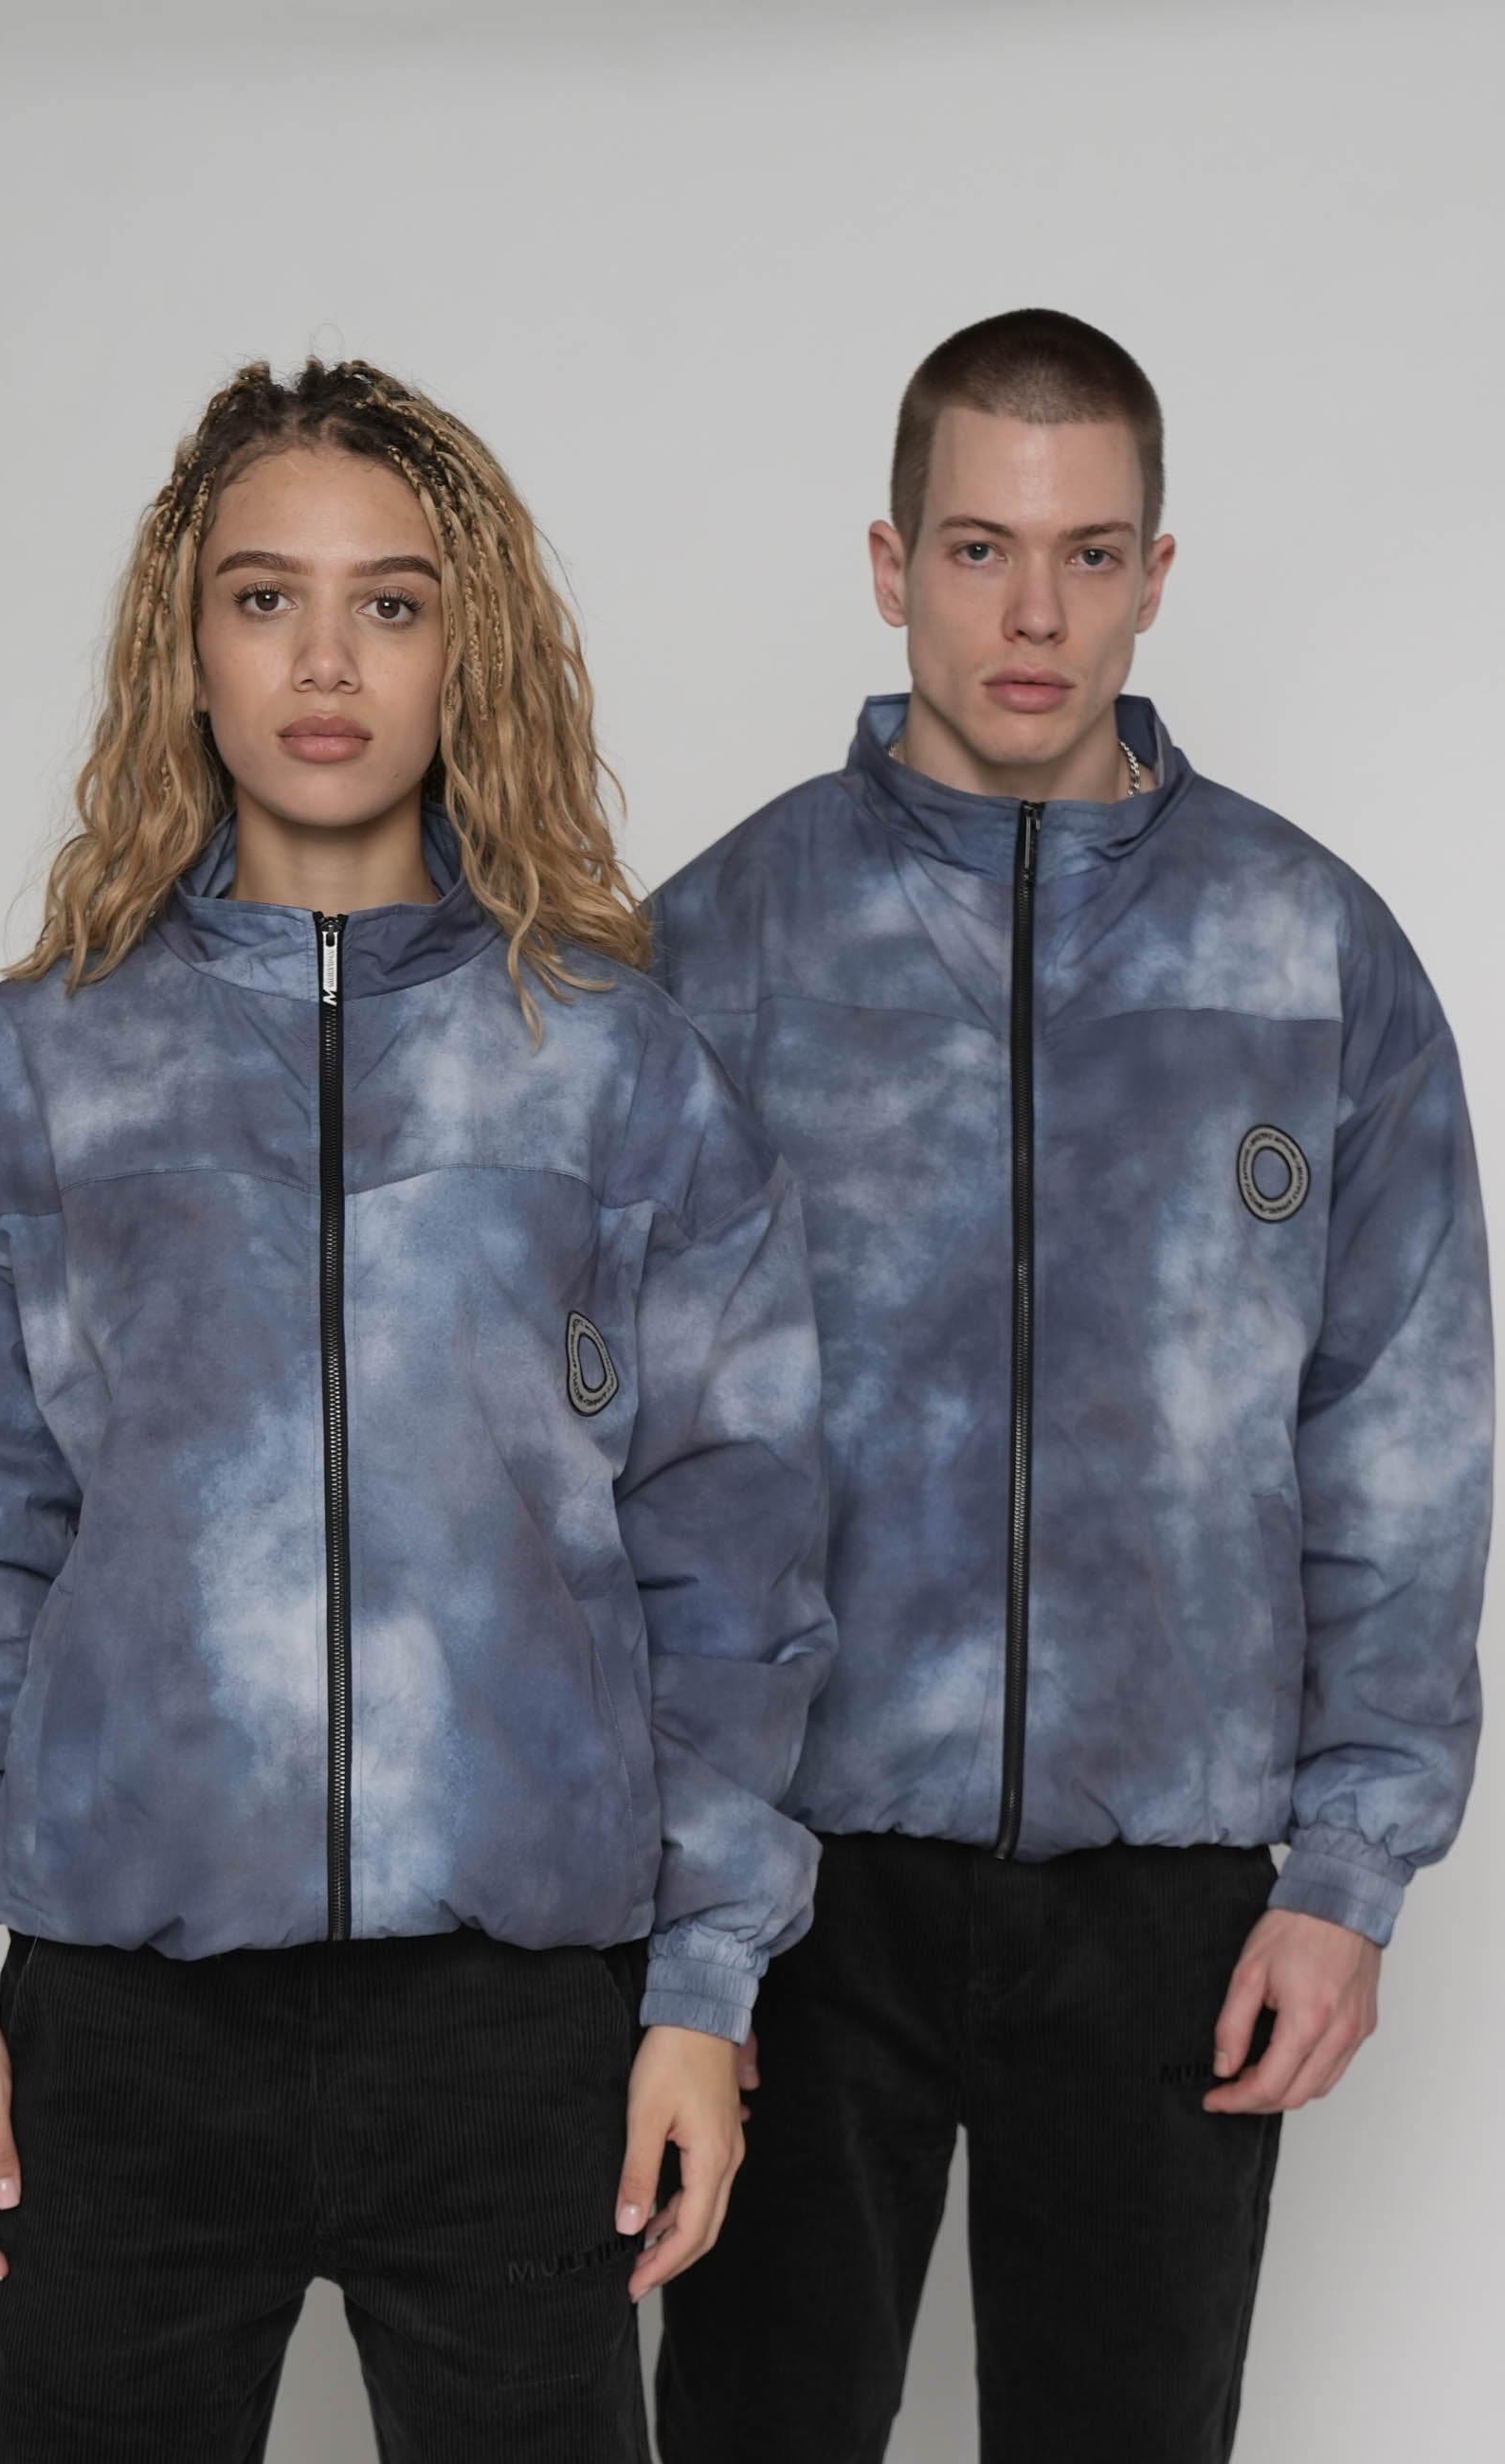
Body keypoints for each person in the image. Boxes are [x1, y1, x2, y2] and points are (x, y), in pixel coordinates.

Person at [0, 355, 836, 2464]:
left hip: (518, 2027)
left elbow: (731, 1563)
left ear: (472, 651)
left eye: (392, 602)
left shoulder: (620, 1077)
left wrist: (702, 1989)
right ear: (184, 647)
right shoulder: (29, 1081)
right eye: (266, 598)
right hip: (125, 2023)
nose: (327, 662)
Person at [646, 307, 1492, 2463]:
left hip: (1170, 1885)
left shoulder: (1312, 956)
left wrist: (1348, 1867)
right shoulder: (724, 948)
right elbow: (593, 1448)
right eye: (979, 548)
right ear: (889, 561)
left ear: (1155, 574)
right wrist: (668, 1912)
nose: (1033, 614)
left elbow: (1401, 1435)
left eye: (1089, 553)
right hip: (793, 1879)